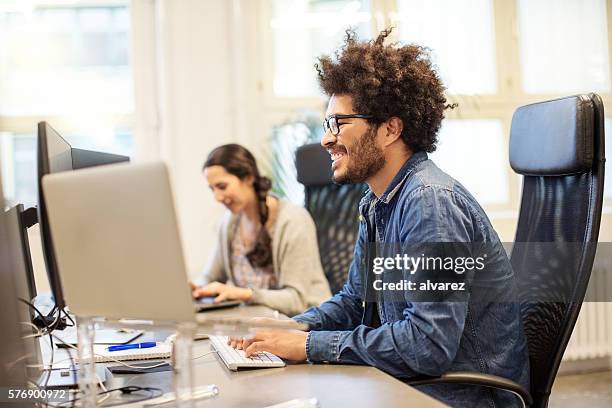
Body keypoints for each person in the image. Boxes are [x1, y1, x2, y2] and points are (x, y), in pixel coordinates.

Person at [229, 29, 530, 407]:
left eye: (339, 123)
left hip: (461, 396)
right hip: (416, 384)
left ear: (390, 129)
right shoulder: (378, 202)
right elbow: (356, 301)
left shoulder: (430, 204)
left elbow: (428, 344)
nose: (326, 139)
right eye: (327, 124)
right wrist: (293, 326)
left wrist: (307, 345)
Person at [192, 144, 331, 316]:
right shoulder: (229, 222)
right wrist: (196, 288)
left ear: (249, 178)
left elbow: (296, 300)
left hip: (303, 325)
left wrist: (245, 294)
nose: (217, 197)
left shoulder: (293, 221)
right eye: (212, 189)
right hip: (255, 325)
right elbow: (210, 276)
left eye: (222, 186)